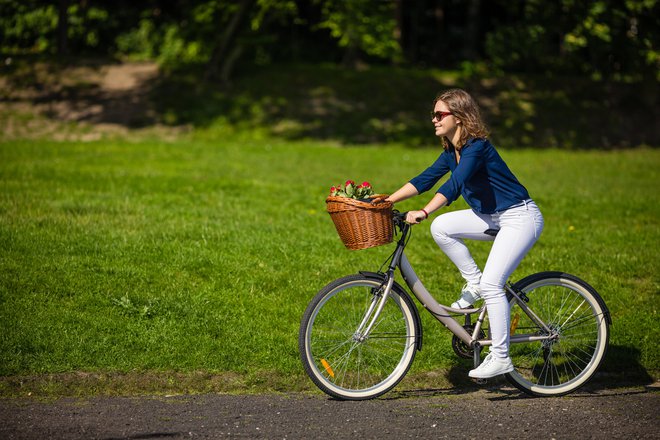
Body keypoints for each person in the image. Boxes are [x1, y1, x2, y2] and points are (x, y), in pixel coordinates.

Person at [381, 88, 544, 379]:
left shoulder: (477, 148)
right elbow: (425, 179)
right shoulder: (451, 152)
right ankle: (474, 282)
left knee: (495, 284)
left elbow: (455, 185)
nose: (434, 119)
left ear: (459, 117)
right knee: (442, 228)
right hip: (491, 216)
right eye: (433, 114)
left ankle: (501, 356)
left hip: (520, 217)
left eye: (439, 114)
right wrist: (388, 201)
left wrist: (424, 211)